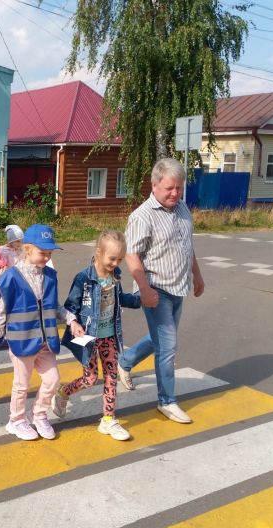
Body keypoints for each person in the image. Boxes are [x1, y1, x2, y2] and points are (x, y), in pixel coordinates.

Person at [118, 157, 205, 424]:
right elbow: (131, 255)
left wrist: (197, 275)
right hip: (156, 289)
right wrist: (144, 289)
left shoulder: (182, 209)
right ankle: (166, 401)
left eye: (178, 187)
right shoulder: (142, 216)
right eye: (169, 188)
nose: (175, 193)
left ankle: (125, 361)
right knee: (168, 347)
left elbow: (186, 246)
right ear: (154, 185)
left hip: (179, 286)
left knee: (162, 340)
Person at [52, 230, 141, 440]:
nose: (115, 263)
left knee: (111, 376)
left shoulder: (115, 275)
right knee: (90, 379)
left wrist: (141, 299)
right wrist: (73, 323)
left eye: (119, 259)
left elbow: (121, 299)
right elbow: (70, 306)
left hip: (109, 336)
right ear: (99, 252)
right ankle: (63, 392)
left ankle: (108, 420)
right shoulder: (83, 278)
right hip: (87, 337)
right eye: (112, 258)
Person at [0, 224, 64, 441]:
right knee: (22, 385)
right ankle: (16, 420)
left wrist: (71, 319)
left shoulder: (50, 275)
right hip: (21, 341)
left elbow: (54, 306)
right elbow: (3, 308)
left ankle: (40, 414)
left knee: (52, 380)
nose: (46, 258)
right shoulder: (12, 276)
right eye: (43, 253)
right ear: (27, 249)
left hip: (45, 342)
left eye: (49, 254)